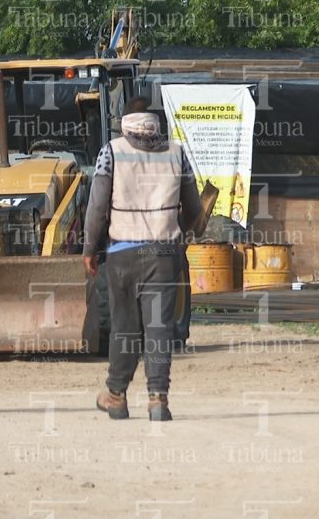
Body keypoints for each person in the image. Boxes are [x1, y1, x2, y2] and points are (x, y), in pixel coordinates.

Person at [83, 97, 201, 421]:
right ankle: (158, 400)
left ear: (124, 121)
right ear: (154, 123)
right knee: (159, 326)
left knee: (125, 327)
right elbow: (195, 209)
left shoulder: (111, 151)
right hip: (164, 252)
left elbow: (96, 208)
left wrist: (89, 249)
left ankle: (116, 395)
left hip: (123, 253)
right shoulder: (177, 153)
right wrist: (177, 234)